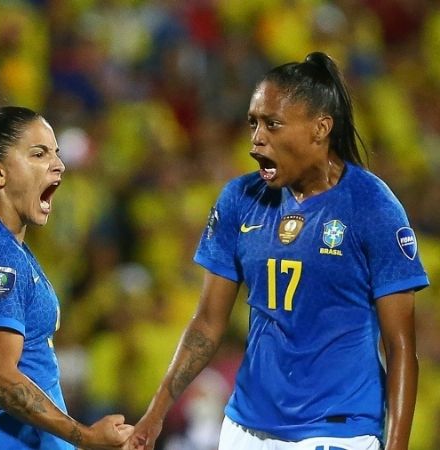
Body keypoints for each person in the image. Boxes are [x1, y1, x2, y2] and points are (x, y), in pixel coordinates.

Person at [129, 51, 428, 450]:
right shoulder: (240, 199)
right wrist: (156, 411)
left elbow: (401, 346)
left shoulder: (372, 207)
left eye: (272, 124)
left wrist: (397, 445)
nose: (257, 138)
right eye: (253, 122)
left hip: (336, 430)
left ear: (320, 128)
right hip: (246, 427)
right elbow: (207, 323)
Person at [0, 106, 133, 449]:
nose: (58, 165)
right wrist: (86, 436)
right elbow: (0, 378)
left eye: (56, 153)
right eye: (39, 154)